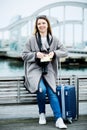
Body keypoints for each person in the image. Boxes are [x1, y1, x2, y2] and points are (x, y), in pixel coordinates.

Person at [22, 15, 68, 129]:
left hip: (49, 70)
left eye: (43, 23)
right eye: (39, 24)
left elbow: (65, 51)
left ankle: (58, 119)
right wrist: (36, 54)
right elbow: (24, 55)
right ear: (36, 26)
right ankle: (42, 114)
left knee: (52, 92)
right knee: (41, 89)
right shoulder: (31, 39)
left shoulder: (54, 39)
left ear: (47, 25)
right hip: (34, 70)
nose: (41, 25)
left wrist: (54, 53)